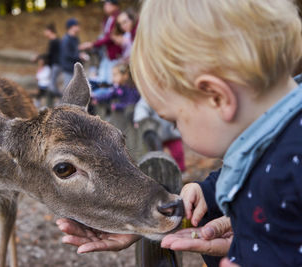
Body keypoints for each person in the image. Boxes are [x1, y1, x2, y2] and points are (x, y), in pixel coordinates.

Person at [56, 0, 302, 266]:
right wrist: (208, 194)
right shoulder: (276, 145)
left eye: (174, 120)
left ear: (217, 98)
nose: (177, 131)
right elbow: (252, 173)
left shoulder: (289, 168)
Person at [133, 98, 186, 172]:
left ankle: (181, 170)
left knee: (178, 152)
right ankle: (161, 171)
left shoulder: (169, 94)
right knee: (158, 154)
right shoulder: (149, 95)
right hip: (158, 132)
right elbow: (142, 107)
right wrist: (140, 119)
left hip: (172, 131)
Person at [80, 0, 122, 84]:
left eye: (107, 4)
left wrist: (93, 44)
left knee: (113, 80)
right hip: (108, 54)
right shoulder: (109, 19)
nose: (105, 7)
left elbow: (110, 37)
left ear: (114, 5)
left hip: (115, 54)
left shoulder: (117, 18)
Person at [60, 18, 82, 88]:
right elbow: (67, 54)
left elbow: (75, 51)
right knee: (68, 90)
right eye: (77, 25)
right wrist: (79, 56)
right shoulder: (66, 39)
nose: (78, 27)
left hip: (75, 68)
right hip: (68, 68)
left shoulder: (75, 38)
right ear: (72, 27)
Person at [43, 23, 61, 95]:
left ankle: (61, 98)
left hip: (56, 65)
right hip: (54, 65)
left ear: (50, 31)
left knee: (52, 85)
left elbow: (50, 54)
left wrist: (39, 57)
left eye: (45, 31)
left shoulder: (55, 41)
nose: (44, 33)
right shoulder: (54, 41)